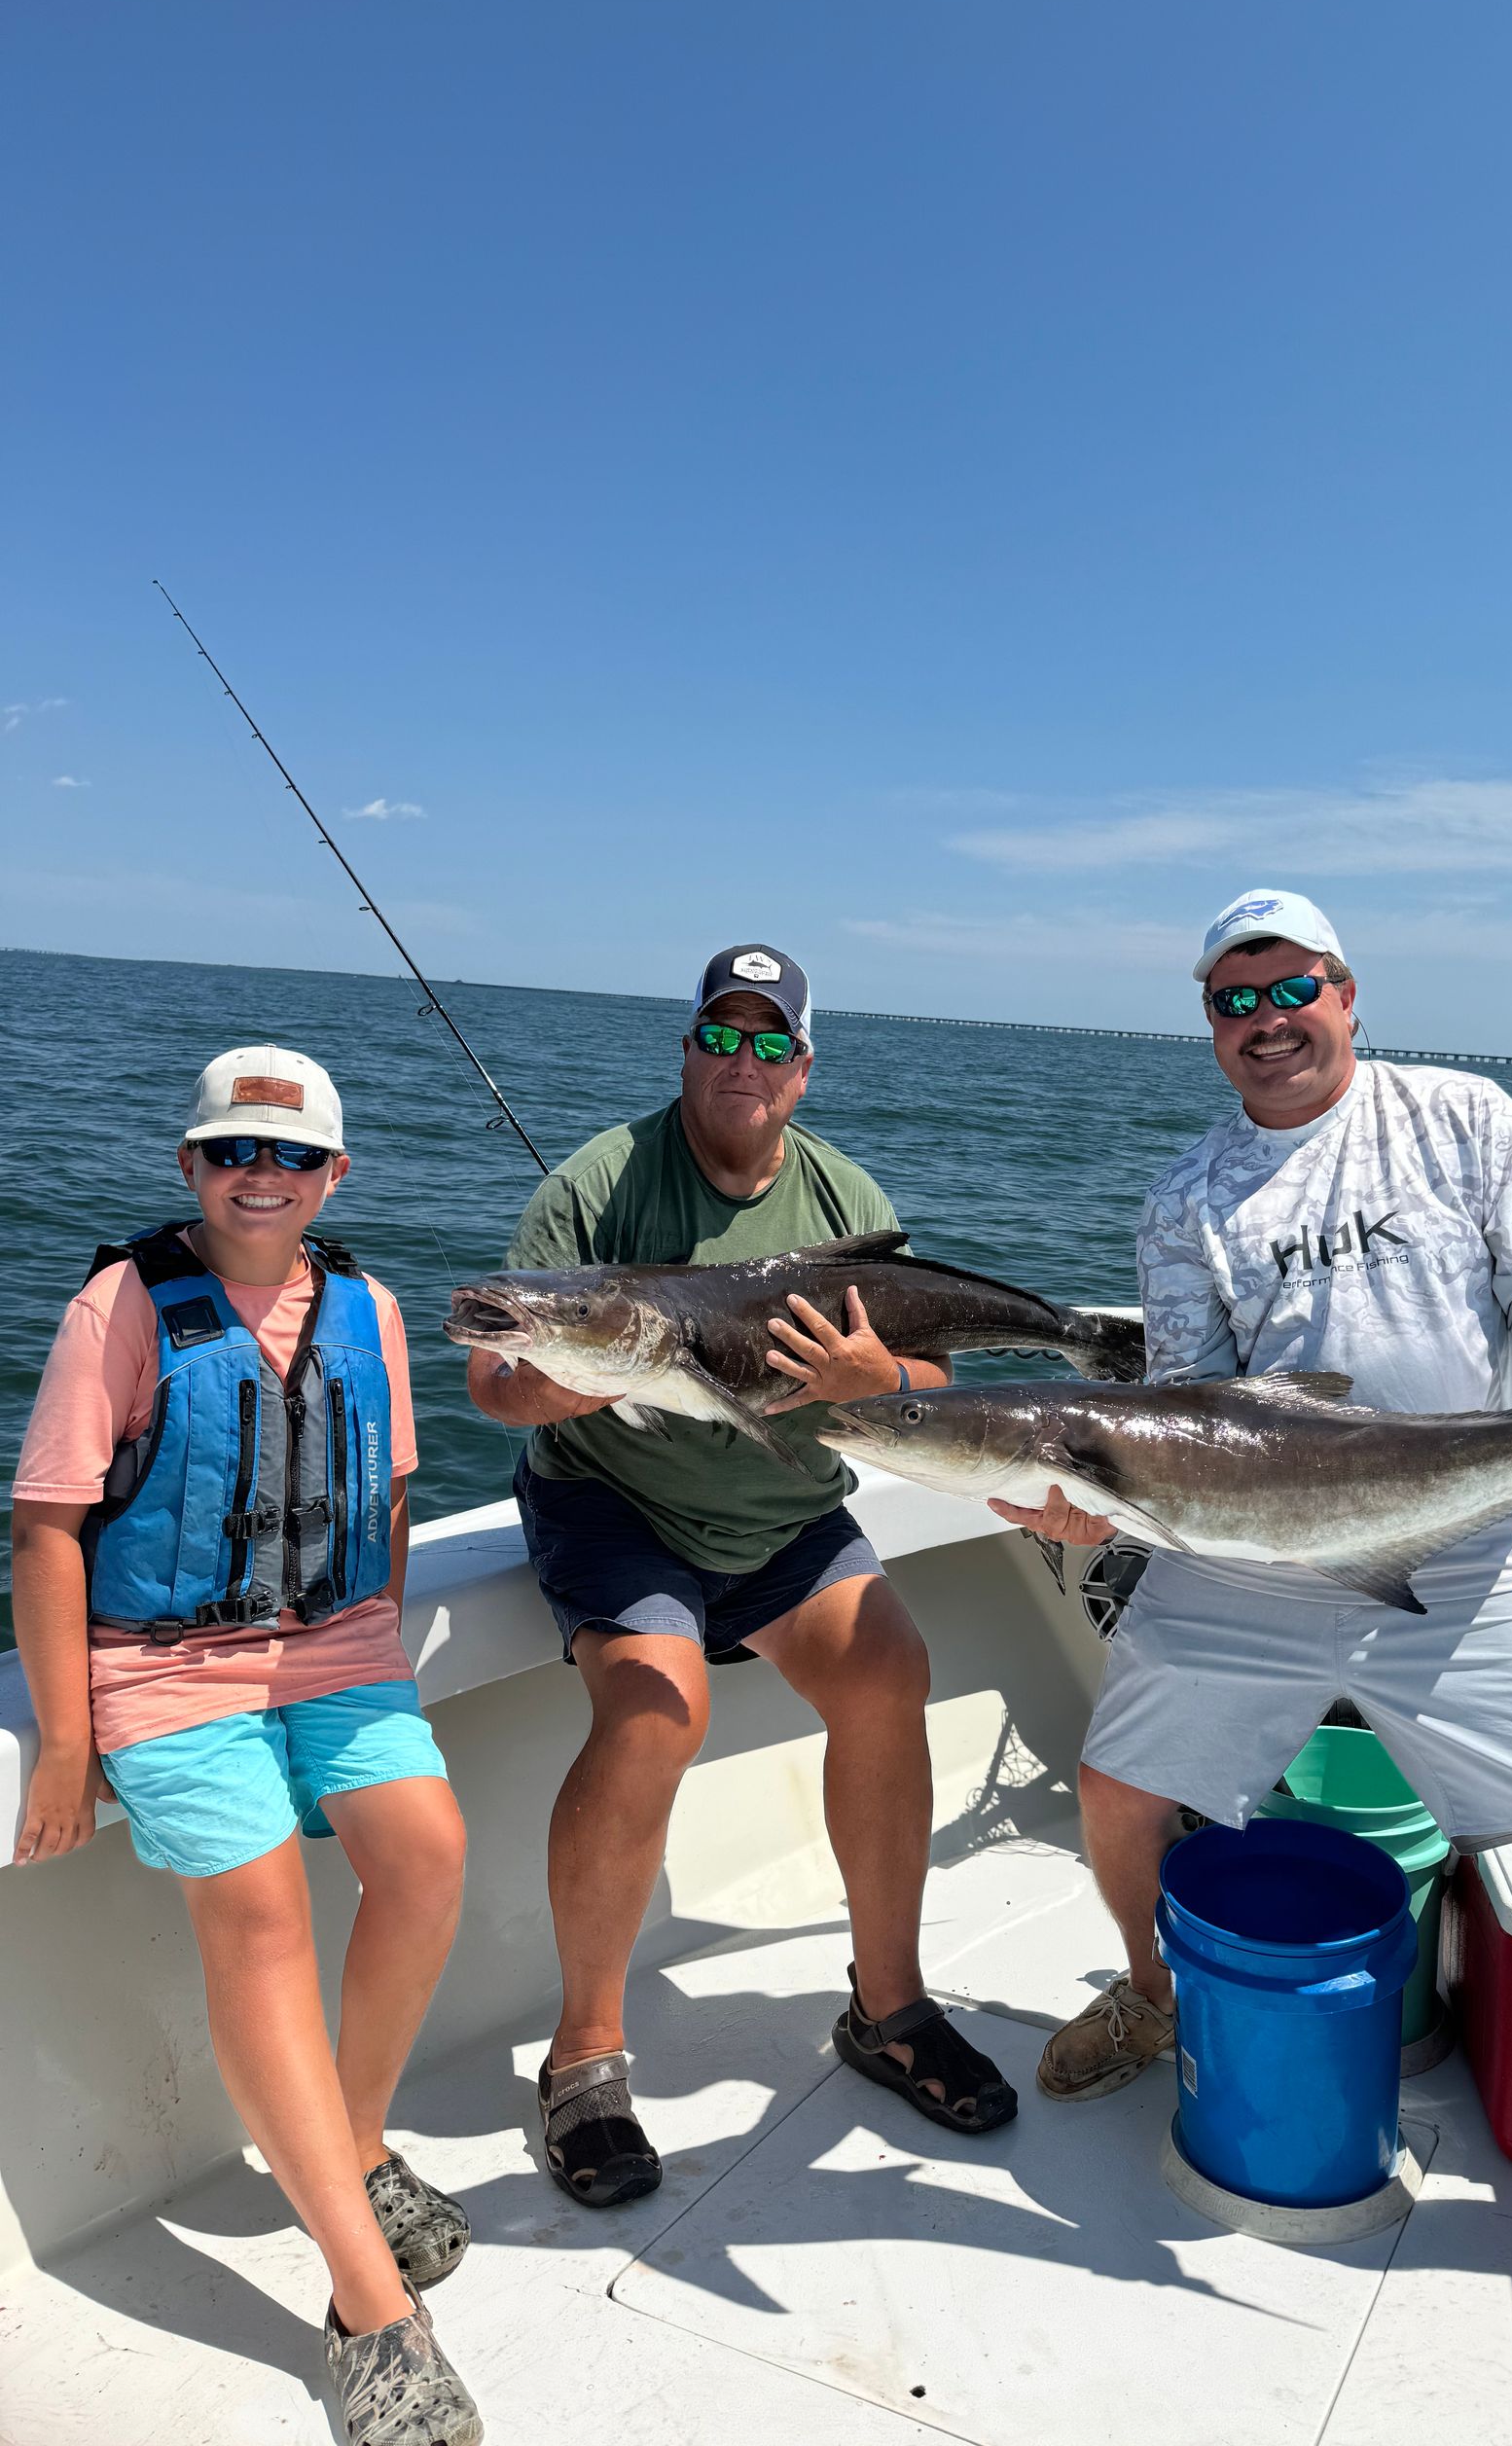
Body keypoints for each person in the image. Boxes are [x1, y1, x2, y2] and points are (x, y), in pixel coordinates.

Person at [994, 888, 1512, 2408]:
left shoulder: (1461, 1116)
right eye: (1232, 1001)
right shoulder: (1190, 1195)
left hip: (1468, 1546)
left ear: (1349, 993)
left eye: (1292, 986)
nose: (1266, 1019)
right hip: (1251, 1558)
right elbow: (1191, 1404)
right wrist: (1107, 1512)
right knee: (1117, 1789)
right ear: (1209, 1027)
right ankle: (1153, 1991)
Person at [467, 944, 1015, 2209]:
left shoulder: (846, 1201)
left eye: (772, 1043)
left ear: (803, 1069)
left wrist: (887, 1388)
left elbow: (930, 1392)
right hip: (618, 1502)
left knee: (891, 1676)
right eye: (724, 1034)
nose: (744, 1062)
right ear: (688, 1049)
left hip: (781, 1513)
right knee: (659, 1705)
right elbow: (492, 1377)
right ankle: (585, 2057)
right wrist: (539, 1384)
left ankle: (888, 2009)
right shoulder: (598, 1184)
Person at [10, 1046, 483, 2446]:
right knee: (264, 1911)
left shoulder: (370, 1307)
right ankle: (366, 2306)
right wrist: (57, 1741)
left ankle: (356, 2138)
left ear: (335, 1175)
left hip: (338, 1652)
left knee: (429, 1852)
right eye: (230, 1153)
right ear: (189, 1170)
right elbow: (45, 1527)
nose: (258, 1177)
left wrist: (373, 1650)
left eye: (289, 1158)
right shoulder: (123, 1307)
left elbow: (388, 1497)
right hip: (163, 1665)